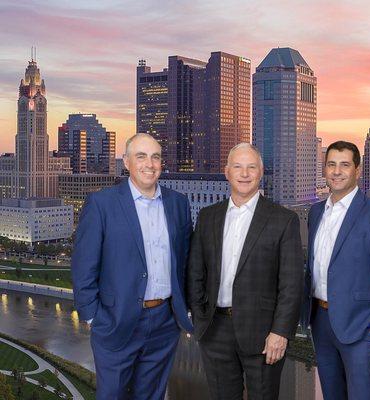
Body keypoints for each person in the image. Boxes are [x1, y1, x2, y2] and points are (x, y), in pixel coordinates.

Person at [72, 133, 193, 399]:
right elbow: (83, 266)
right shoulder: (101, 203)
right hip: (116, 321)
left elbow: (185, 261)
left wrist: (183, 310)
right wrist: (94, 317)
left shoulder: (178, 204)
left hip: (164, 322)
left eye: (155, 157)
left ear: (162, 163)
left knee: (151, 395)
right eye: (141, 156)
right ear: (126, 162)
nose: (149, 164)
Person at [188, 143, 303, 400]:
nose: (244, 173)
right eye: (238, 167)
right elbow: (196, 271)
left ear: (260, 172)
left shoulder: (283, 220)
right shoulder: (208, 217)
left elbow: (291, 283)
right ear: (227, 172)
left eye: (251, 167)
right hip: (214, 330)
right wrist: (198, 316)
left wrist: (281, 332)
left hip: (264, 335)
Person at [302, 141, 370, 400]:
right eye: (331, 164)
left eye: (344, 165)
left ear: (357, 170)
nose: (337, 171)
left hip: (361, 327)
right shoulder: (316, 211)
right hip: (320, 322)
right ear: (324, 170)